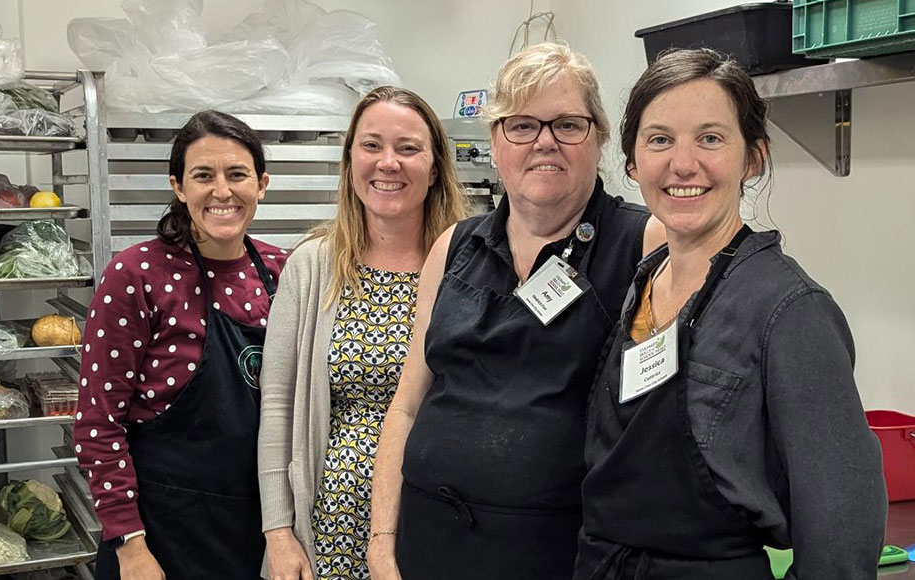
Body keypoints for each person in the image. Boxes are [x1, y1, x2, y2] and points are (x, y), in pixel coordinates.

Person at [572, 48, 888, 580]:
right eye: (660, 139)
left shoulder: (790, 311)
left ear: (754, 158)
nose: (683, 163)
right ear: (632, 162)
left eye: (711, 138)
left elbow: (842, 538)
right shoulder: (642, 282)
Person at [368, 43, 664, 580]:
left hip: (560, 556)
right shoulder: (454, 247)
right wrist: (382, 542)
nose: (544, 141)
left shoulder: (644, 242)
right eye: (522, 125)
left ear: (598, 138)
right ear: (495, 142)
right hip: (427, 546)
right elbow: (407, 406)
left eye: (568, 125)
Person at [258, 86, 468, 580]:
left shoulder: (471, 266)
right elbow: (277, 406)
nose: (387, 162)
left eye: (408, 148)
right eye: (371, 145)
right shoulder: (311, 267)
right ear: (350, 158)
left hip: (438, 522)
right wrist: (278, 532)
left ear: (435, 167)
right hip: (328, 527)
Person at [74, 110, 288, 580]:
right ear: (178, 186)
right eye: (203, 176)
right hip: (161, 535)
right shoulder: (136, 276)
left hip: (259, 530)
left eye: (237, 175)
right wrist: (130, 547)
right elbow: (98, 424)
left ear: (262, 184)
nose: (222, 191)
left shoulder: (284, 272)